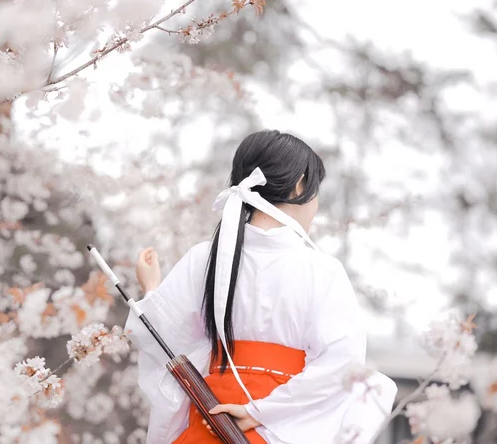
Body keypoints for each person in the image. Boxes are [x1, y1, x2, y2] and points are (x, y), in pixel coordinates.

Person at [125, 130, 398, 444]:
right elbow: (343, 365)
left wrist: (152, 291)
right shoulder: (322, 270)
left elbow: (163, 339)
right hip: (277, 428)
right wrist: (259, 411)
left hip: (210, 419)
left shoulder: (205, 258)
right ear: (299, 184)